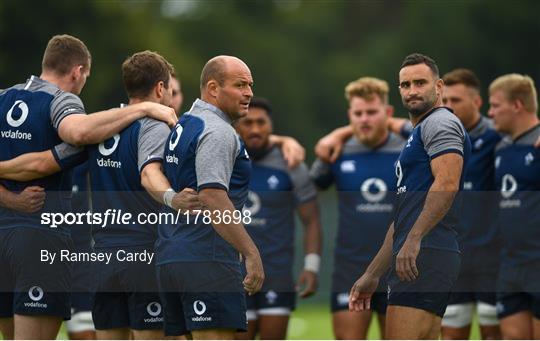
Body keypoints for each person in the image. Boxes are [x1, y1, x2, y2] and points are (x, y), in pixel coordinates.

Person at [0, 34, 176, 340]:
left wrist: (8, 198)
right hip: (40, 237)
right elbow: (78, 134)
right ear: (77, 72)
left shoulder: (3, 97)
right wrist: (145, 109)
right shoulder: (63, 101)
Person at [349, 53, 471, 339]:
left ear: (439, 87)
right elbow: (404, 217)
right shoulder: (418, 132)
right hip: (422, 253)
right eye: (405, 85)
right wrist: (373, 273)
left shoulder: (439, 123)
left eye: (420, 82)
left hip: (427, 254)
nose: (412, 90)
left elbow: (448, 182)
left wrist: (414, 239)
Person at [156, 55, 264, 340]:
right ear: (214, 88)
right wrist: (251, 252)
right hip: (207, 259)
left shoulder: (185, 123)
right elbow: (213, 196)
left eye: (250, 85)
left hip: (171, 256)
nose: (249, 93)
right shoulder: (217, 131)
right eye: (240, 85)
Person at [310, 77, 404, 339]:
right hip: (350, 269)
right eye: (358, 113)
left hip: (399, 268)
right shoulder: (337, 152)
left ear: (387, 113)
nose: (364, 119)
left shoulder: (407, 149)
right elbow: (307, 191)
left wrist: (340, 131)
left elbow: (422, 130)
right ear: (349, 115)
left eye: (372, 112)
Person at [234, 97, 322, 340]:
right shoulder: (225, 160)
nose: (255, 129)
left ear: (271, 125)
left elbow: (311, 219)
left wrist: (311, 266)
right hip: (234, 274)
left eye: (261, 122)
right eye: (248, 122)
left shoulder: (291, 164)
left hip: (277, 273)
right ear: (236, 126)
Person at [489, 74, 540, 339]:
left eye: (496, 106)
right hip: (510, 265)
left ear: (517, 105)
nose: (490, 112)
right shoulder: (500, 148)